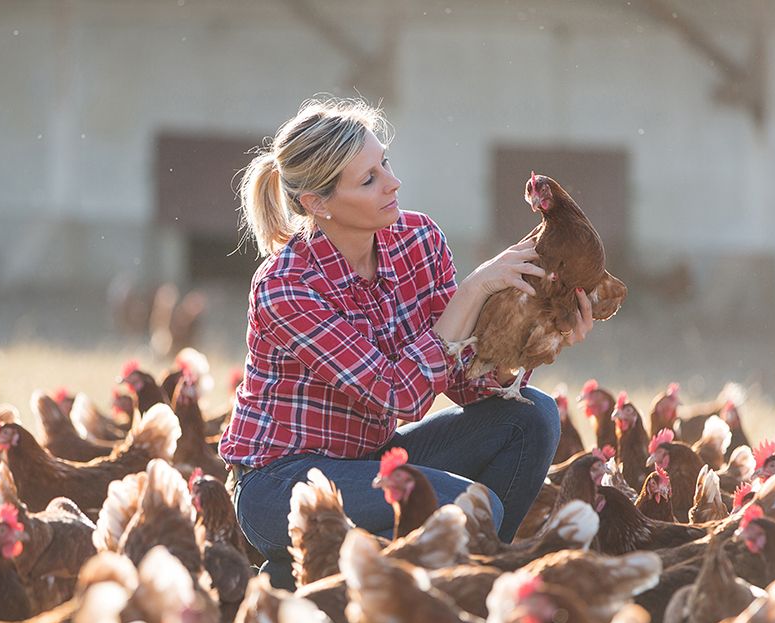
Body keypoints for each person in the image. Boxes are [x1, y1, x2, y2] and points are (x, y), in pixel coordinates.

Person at [220, 96, 594, 590]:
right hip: (281, 483)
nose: (392, 182)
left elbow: (465, 383)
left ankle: (452, 585)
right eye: (369, 179)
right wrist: (473, 291)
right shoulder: (287, 284)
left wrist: (534, 340)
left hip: (372, 460)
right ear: (317, 203)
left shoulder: (418, 240)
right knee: (469, 507)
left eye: (385, 163)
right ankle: (429, 577)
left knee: (532, 416)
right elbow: (397, 395)